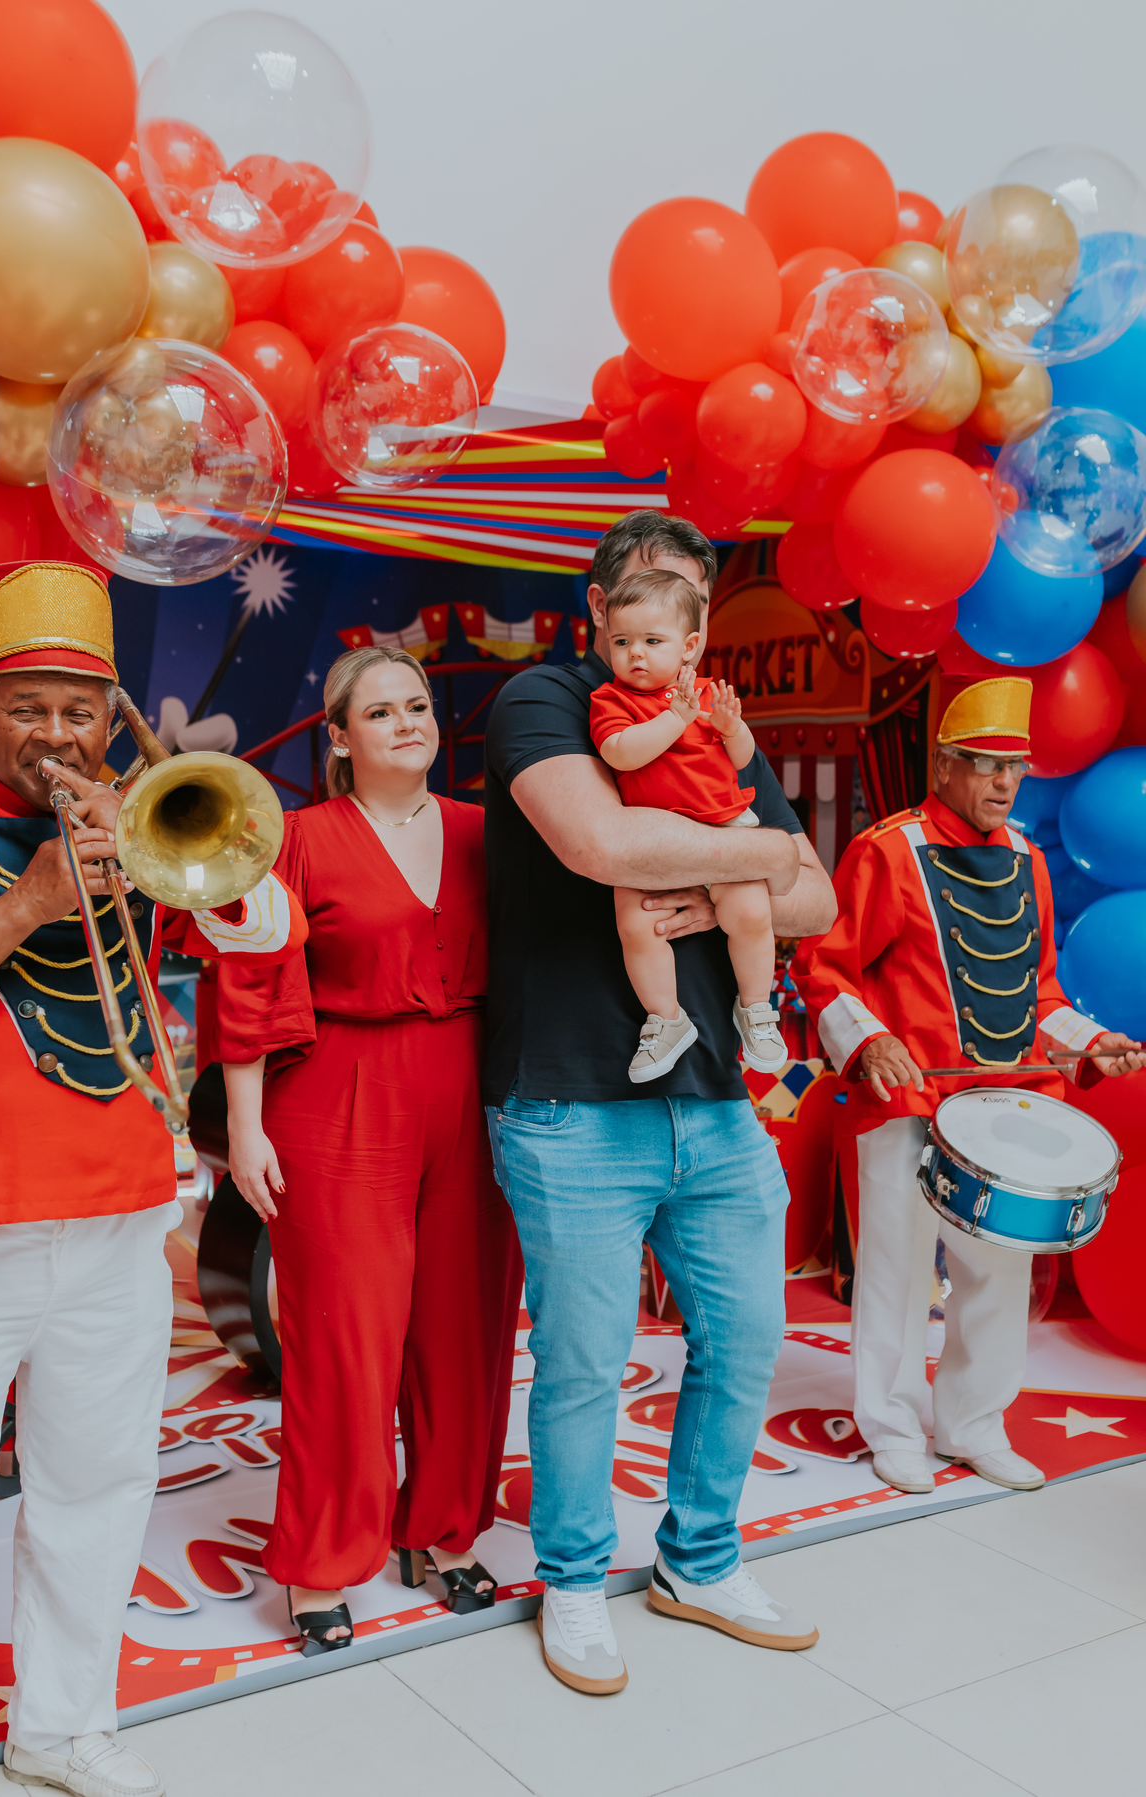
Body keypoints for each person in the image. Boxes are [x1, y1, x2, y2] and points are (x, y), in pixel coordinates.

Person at [0, 559, 306, 1797]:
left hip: (115, 1222)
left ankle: (62, 1725)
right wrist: (31, 903)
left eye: (81, 709)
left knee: (97, 1490)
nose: (57, 734)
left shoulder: (130, 819)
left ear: (112, 719)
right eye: (30, 706)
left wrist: (197, 848)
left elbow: (264, 934)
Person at [483, 509, 837, 1696]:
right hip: (571, 1096)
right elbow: (601, 845)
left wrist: (742, 869)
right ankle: (575, 1581)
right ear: (600, 609)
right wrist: (739, 862)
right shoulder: (546, 701)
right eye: (641, 597)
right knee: (585, 1359)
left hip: (721, 1099)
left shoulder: (718, 724)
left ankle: (700, 1558)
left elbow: (815, 900)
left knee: (746, 1339)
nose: (662, 628)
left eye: (686, 601)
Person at [218, 645, 522, 1655]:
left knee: (463, 1329)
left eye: (420, 705)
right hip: (336, 1094)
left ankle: (439, 1532)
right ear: (338, 739)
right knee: (345, 1340)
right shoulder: (295, 839)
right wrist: (248, 1123)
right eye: (381, 711)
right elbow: (254, 979)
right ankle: (321, 1562)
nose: (408, 722)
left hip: (472, 1091)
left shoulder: (490, 832)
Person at [792, 677, 1145, 1497]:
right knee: (896, 1268)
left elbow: (1040, 994)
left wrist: (1092, 1043)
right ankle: (889, 1424)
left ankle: (973, 1422)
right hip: (906, 1102)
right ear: (945, 764)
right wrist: (870, 1040)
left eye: (1014, 769)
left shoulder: (1027, 858)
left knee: (1000, 1268)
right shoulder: (888, 848)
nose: (1002, 784)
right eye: (986, 765)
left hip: (1002, 1106)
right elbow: (823, 966)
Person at [589, 566, 781, 1082]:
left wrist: (732, 727)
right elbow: (621, 753)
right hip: (652, 843)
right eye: (623, 640)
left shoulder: (704, 694)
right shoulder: (611, 700)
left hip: (724, 830)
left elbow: (742, 760)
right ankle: (666, 1018)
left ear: (689, 645)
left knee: (750, 913)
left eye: (653, 641)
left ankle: (757, 1008)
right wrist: (675, 718)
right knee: (637, 925)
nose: (636, 654)